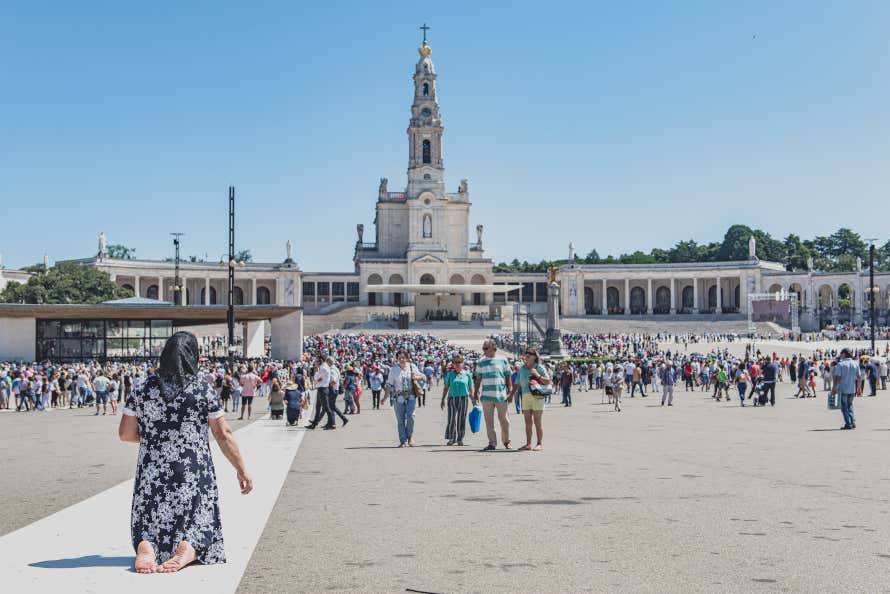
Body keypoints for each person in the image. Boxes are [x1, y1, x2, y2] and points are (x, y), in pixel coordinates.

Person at [119, 331, 253, 574]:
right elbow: (223, 434)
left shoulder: (142, 388)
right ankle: (189, 546)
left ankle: (147, 545)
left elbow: (125, 434)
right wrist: (241, 469)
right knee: (196, 510)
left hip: (153, 464)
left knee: (151, 508)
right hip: (192, 465)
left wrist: (156, 439)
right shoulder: (202, 389)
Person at [472, 339, 513, 451]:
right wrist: (475, 393)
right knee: (489, 421)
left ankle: (506, 441)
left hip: (501, 394)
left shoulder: (503, 359)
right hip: (486, 396)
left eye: (486, 348)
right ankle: (492, 443)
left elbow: (508, 375)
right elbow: (478, 378)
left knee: (504, 420)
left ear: (494, 348)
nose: (484, 350)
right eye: (483, 348)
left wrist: (510, 391)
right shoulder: (481, 361)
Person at [510, 347, 551, 450]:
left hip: (537, 396)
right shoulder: (522, 369)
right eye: (526, 354)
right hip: (525, 396)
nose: (526, 356)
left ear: (534, 357)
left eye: (529, 354)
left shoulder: (539, 367)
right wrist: (510, 395)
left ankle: (539, 443)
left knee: (537, 421)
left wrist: (537, 376)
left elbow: (548, 381)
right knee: (528, 422)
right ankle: (528, 444)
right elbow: (516, 384)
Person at [385, 349, 423, 447]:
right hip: (399, 398)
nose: (402, 359)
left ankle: (410, 437)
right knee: (400, 420)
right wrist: (385, 397)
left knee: (411, 417)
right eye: (399, 358)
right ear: (397, 359)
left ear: (407, 358)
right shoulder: (394, 369)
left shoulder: (412, 367)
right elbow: (389, 384)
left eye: (403, 357)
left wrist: (416, 377)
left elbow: (423, 376)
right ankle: (402, 440)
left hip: (411, 396)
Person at [441, 353, 472, 446]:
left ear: (463, 363)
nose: (458, 364)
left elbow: (471, 387)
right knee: (451, 418)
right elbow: (446, 387)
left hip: (464, 398)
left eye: (459, 362)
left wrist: (474, 398)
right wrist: (442, 399)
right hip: (452, 398)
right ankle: (452, 437)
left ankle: (460, 438)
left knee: (461, 418)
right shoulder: (450, 374)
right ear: (453, 364)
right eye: (455, 362)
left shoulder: (467, 374)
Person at [832, 348, 861, 430]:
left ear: (844, 354)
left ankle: (848, 423)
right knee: (850, 405)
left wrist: (834, 388)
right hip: (852, 389)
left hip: (843, 389)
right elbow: (859, 377)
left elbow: (838, 377)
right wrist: (859, 388)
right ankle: (853, 422)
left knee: (844, 407)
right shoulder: (855, 363)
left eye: (841, 353)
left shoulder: (841, 364)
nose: (840, 355)